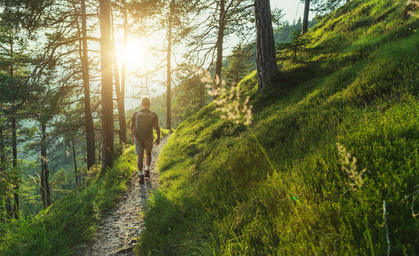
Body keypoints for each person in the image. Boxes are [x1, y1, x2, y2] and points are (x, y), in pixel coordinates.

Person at [130, 97, 160, 184]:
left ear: (142, 104)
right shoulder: (153, 114)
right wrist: (158, 137)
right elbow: (157, 126)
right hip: (148, 137)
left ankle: (140, 176)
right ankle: (147, 171)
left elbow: (131, 125)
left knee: (140, 156)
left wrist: (133, 134)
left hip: (138, 137)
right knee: (148, 154)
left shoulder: (136, 113)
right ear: (149, 104)